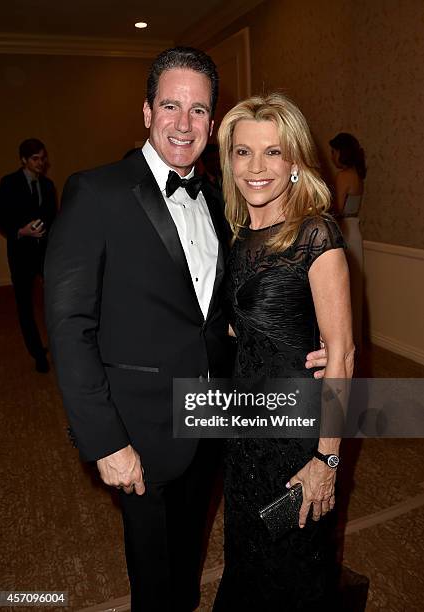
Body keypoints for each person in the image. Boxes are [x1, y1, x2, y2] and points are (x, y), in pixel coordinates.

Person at [44, 48, 327, 611]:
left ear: (212, 123)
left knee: (189, 567)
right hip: (139, 432)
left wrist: (305, 341)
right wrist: (105, 442)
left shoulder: (226, 203)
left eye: (198, 110)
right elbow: (69, 327)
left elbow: (236, 304)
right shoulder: (95, 193)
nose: (183, 122)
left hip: (213, 419)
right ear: (147, 111)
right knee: (154, 584)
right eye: (170, 105)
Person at [213, 94, 354, 610]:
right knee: (249, 555)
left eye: (273, 153)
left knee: (291, 567)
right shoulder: (239, 235)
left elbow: (341, 355)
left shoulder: (316, 235)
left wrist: (327, 457)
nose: (256, 168)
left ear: (294, 162)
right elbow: (237, 329)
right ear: (228, 161)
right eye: (243, 152)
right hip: (245, 425)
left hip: (296, 433)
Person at [0, 138, 57, 372]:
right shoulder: (9, 183)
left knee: (56, 302)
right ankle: (37, 354)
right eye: (35, 159)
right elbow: (1, 218)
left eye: (43, 158)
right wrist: (21, 231)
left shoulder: (48, 185)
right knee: (24, 306)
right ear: (24, 160)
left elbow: (53, 216)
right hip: (21, 254)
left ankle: (60, 346)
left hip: (45, 253)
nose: (41, 163)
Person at [329, 132, 366, 353]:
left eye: (334, 151)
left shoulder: (343, 176)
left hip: (344, 231)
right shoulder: (357, 175)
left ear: (342, 153)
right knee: (355, 288)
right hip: (355, 230)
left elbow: (337, 210)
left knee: (344, 288)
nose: (332, 156)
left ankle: (345, 340)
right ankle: (355, 338)